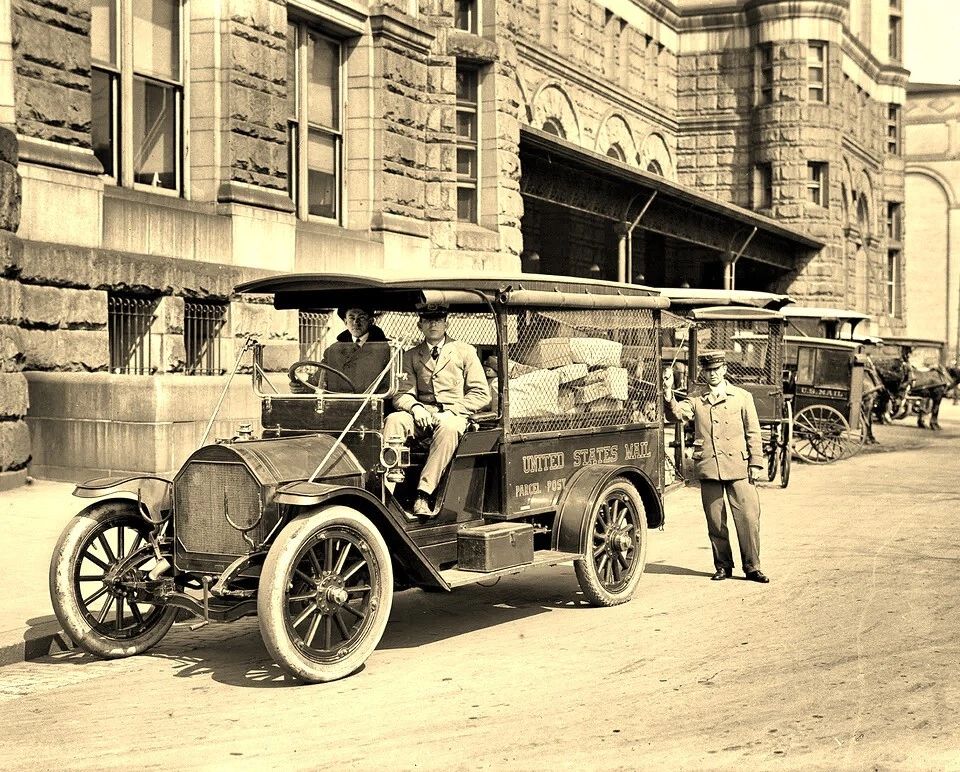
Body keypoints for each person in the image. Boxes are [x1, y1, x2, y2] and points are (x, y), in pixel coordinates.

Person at [663, 350, 769, 583]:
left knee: (749, 519)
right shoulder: (696, 400)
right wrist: (669, 392)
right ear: (703, 372)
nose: (712, 374)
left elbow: (753, 432)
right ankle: (723, 566)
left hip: (739, 467)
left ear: (724, 370)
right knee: (715, 521)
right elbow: (676, 415)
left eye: (716, 370)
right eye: (707, 370)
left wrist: (756, 463)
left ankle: (752, 567)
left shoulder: (742, 397)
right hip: (710, 466)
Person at [384, 302, 491, 517]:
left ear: (446, 323)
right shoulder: (411, 355)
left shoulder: (464, 351)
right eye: (427, 320)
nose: (433, 324)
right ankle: (386, 488)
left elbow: (481, 394)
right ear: (419, 325)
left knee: (449, 426)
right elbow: (401, 393)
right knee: (395, 419)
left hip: (454, 415)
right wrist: (415, 407)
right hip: (422, 415)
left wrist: (452, 411)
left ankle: (423, 494)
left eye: (438, 320)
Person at [301, 307, 391, 393]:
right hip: (335, 404)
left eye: (362, 318)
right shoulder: (333, 350)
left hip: (369, 404)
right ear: (345, 321)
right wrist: (302, 386)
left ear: (370, 321)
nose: (356, 322)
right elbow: (319, 378)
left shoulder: (385, 349)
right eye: (351, 318)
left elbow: (388, 385)